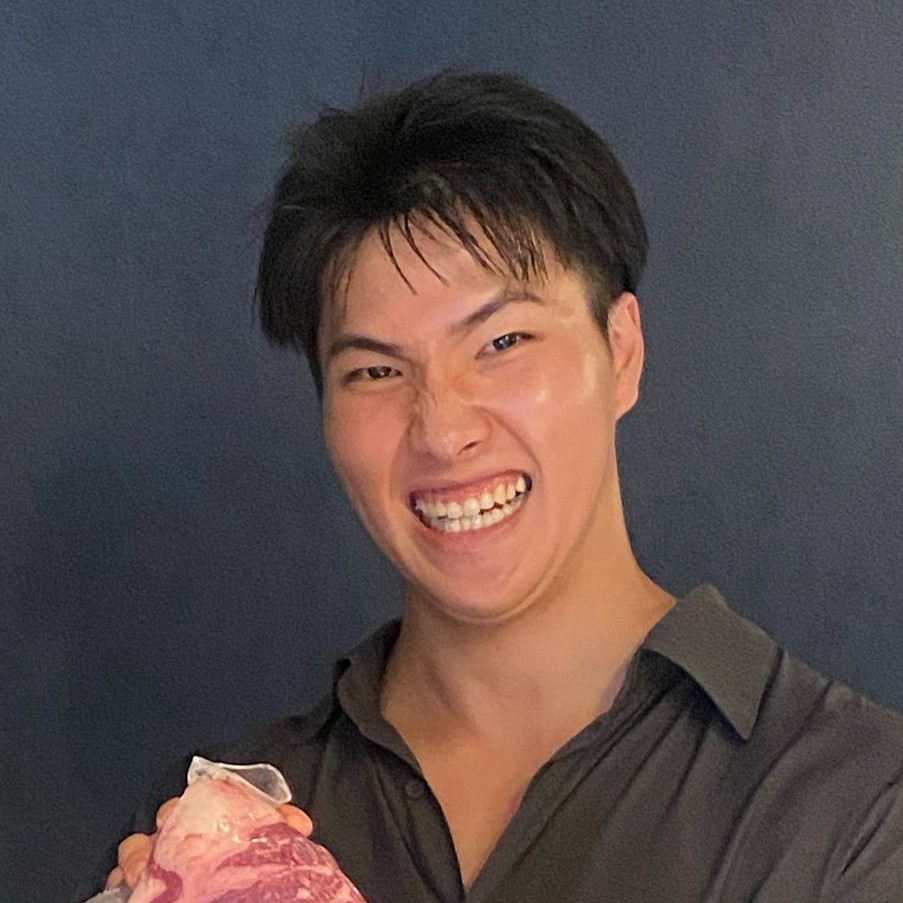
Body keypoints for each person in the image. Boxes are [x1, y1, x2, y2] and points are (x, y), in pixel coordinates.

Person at [81, 71, 903, 902]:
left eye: (502, 342)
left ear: (620, 351)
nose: (441, 429)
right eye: (375, 370)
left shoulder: (852, 804)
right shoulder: (239, 817)